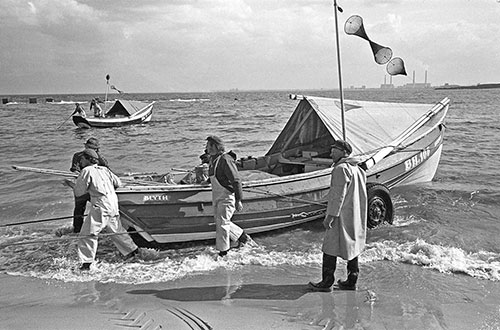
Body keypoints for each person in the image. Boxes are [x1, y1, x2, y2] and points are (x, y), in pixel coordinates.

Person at [308, 139, 367, 291]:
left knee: (329, 247)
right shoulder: (358, 169)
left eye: (334, 149)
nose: (330, 152)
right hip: (353, 214)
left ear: (343, 152)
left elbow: (337, 196)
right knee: (353, 246)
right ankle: (352, 280)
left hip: (341, 215)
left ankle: (327, 282)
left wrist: (330, 217)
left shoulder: (340, 169)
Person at [74, 149, 139, 270]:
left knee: (88, 233)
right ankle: (134, 251)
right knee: (116, 230)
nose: (80, 161)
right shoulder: (104, 169)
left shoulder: (86, 171)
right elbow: (118, 183)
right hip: (113, 203)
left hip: (101, 205)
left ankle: (86, 264)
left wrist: (71, 184)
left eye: (82, 159)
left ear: (88, 159)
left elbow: (79, 193)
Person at [205, 135, 251, 256]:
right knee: (220, 221)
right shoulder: (212, 160)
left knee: (222, 223)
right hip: (216, 196)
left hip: (226, 196)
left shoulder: (225, 159)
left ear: (216, 146)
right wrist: (205, 182)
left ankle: (223, 252)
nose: (206, 148)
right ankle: (243, 237)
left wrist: (238, 200)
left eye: (209, 146)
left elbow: (236, 180)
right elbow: (215, 176)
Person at [69, 138, 109, 233]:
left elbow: (106, 168)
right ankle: (77, 230)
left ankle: (103, 227)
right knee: (79, 207)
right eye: (89, 147)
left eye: (94, 149)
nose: (92, 150)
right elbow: (75, 169)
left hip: (95, 187)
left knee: (101, 206)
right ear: (86, 146)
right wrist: (80, 175)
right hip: (82, 185)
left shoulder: (99, 157)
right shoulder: (78, 156)